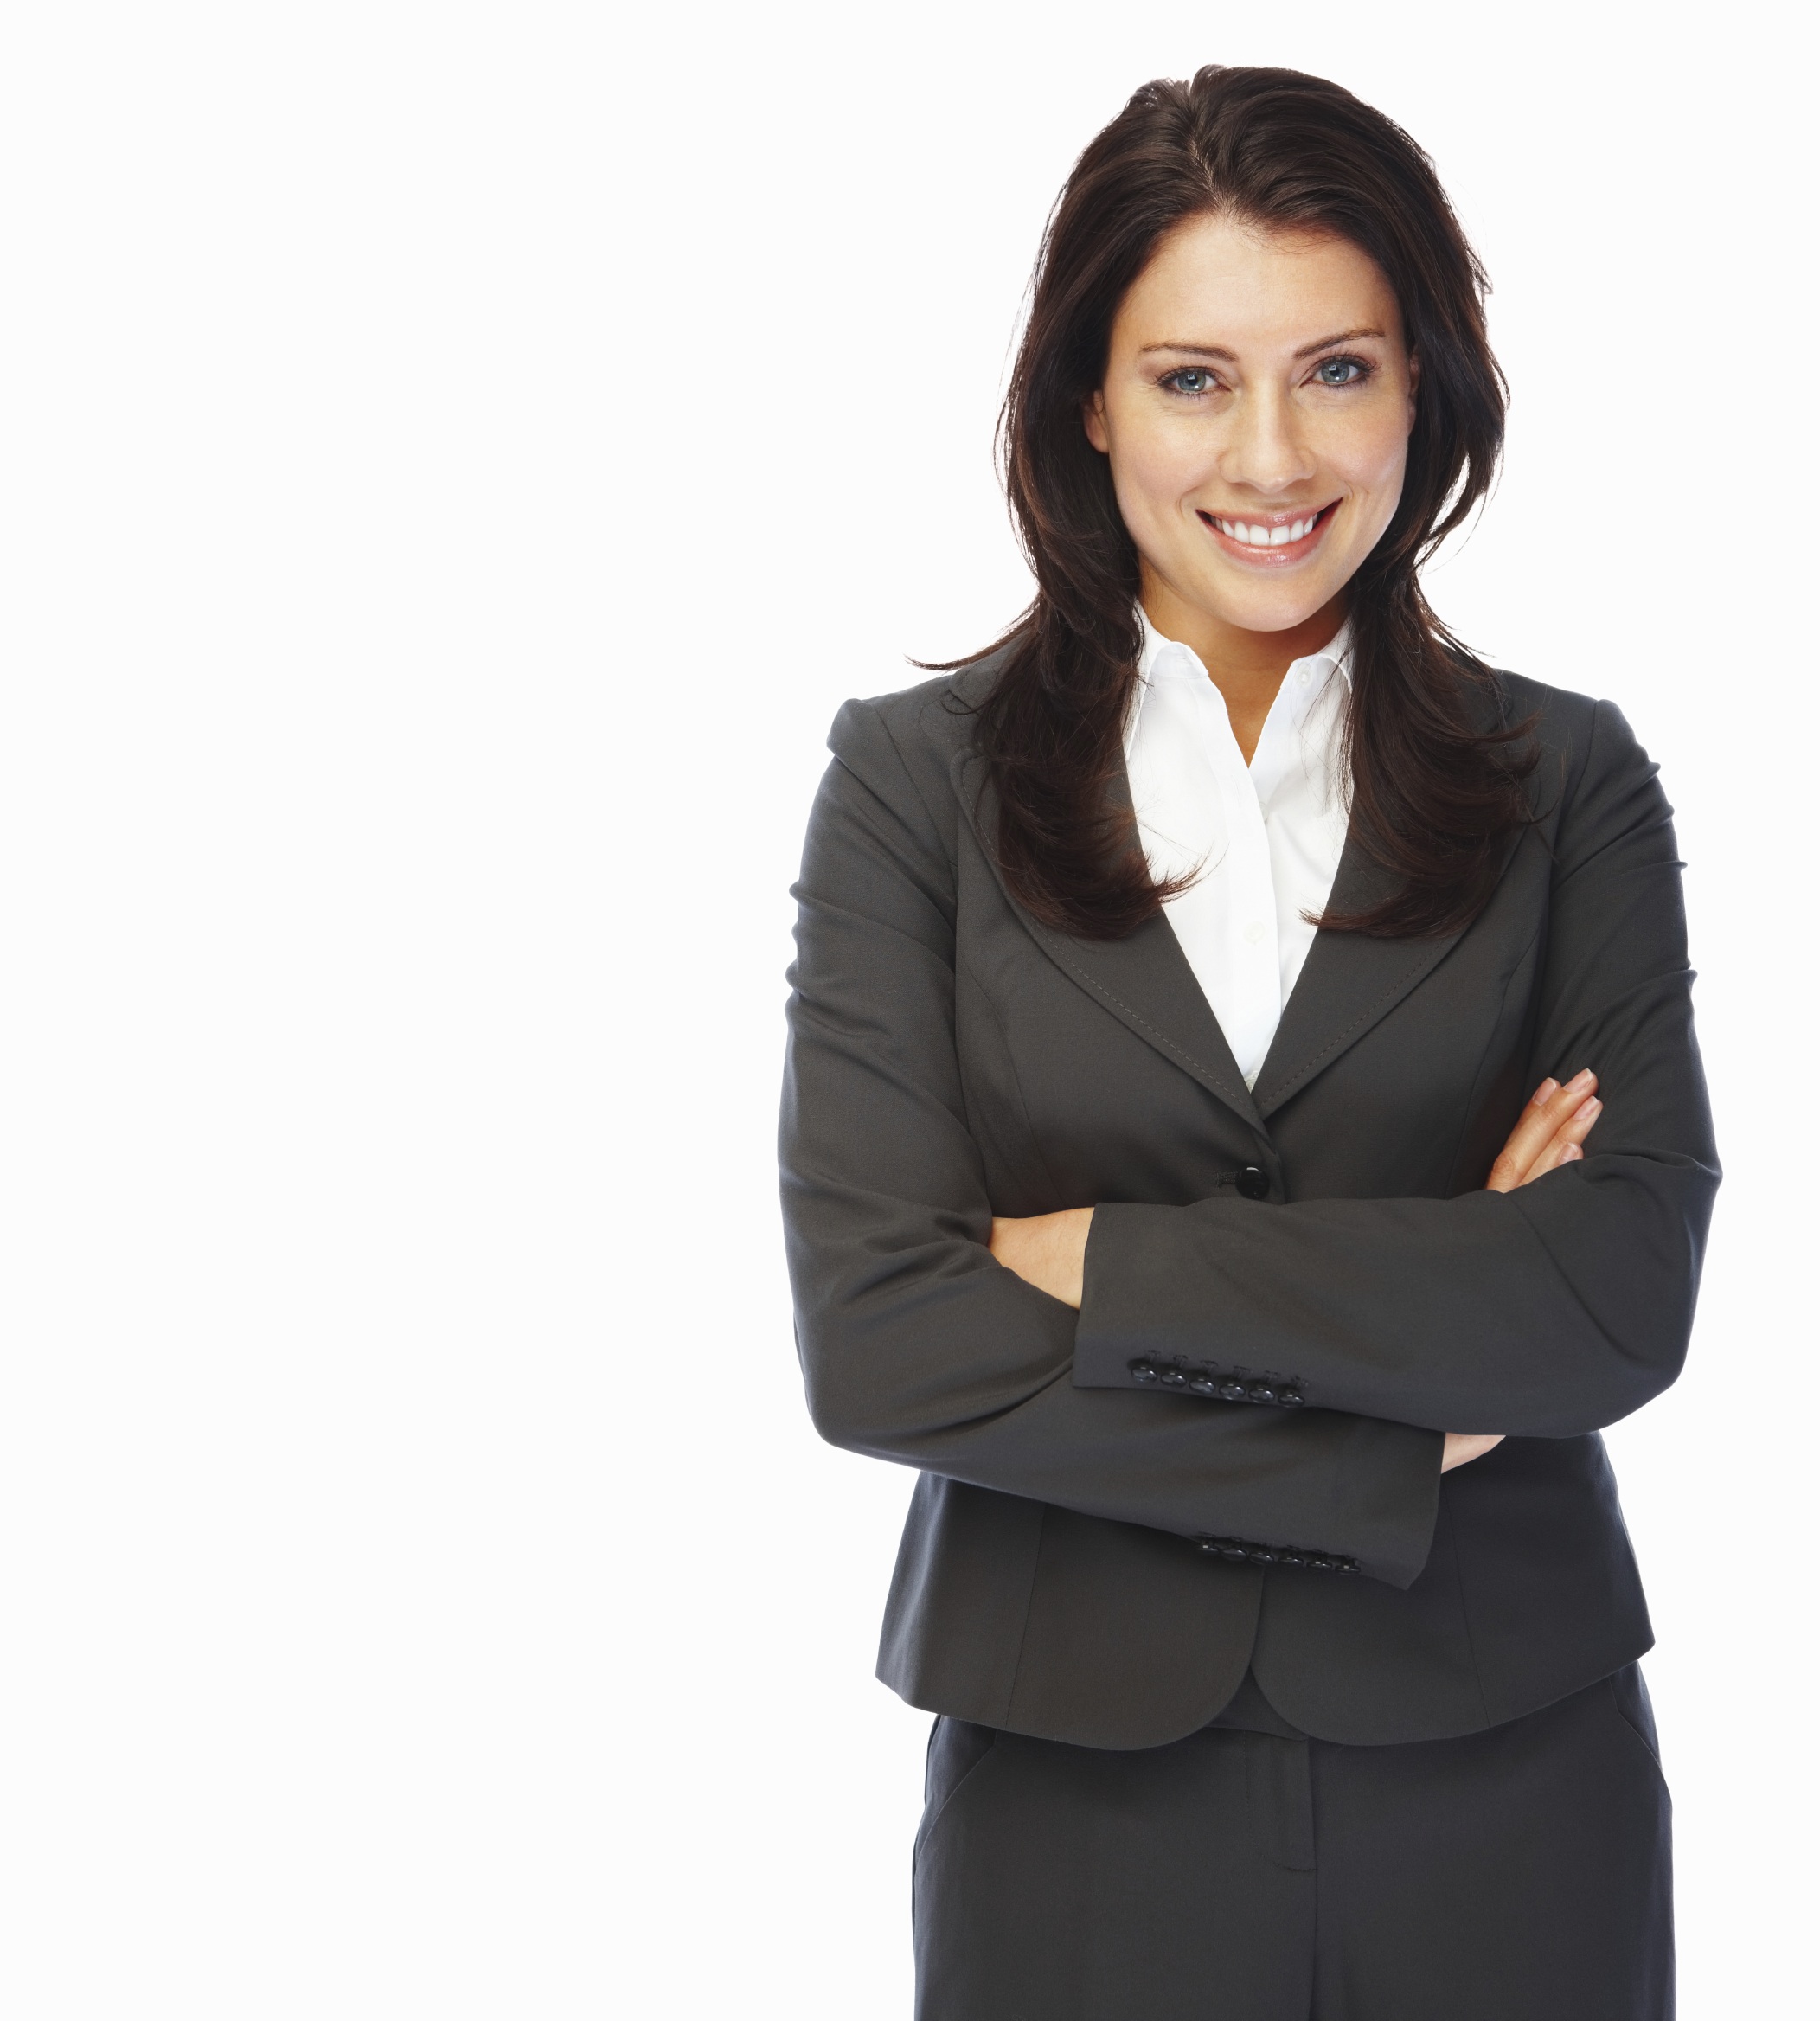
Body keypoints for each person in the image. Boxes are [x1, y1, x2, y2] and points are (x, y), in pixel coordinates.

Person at [779, 64, 1715, 2021]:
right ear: (1087, 400)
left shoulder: (1568, 780)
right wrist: (1410, 1416)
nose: (1272, 452)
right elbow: (881, 1339)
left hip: (1506, 1771)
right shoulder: (911, 789)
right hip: (1073, 1783)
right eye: (1194, 376)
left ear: (1424, 390)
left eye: (1340, 369)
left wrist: (1100, 1263)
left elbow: (1616, 1296)